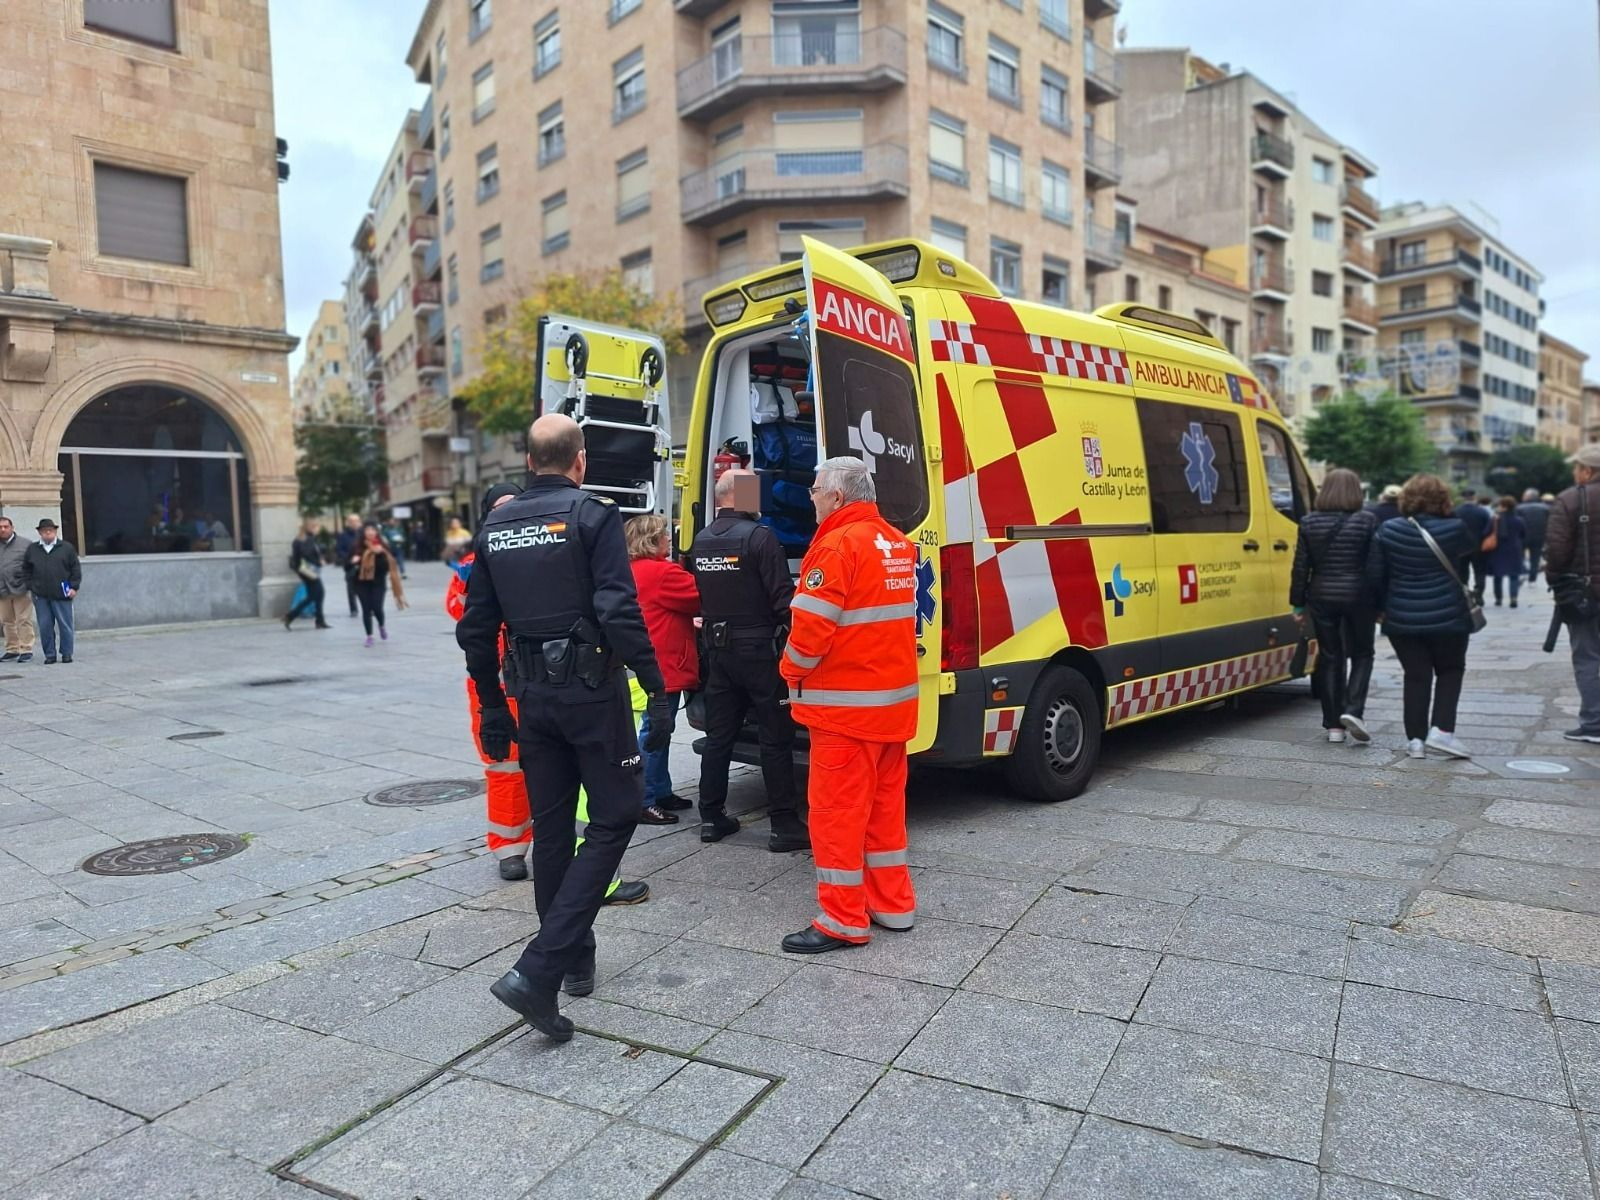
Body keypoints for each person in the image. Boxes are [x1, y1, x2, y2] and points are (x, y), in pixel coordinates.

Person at [460, 413, 672, 1043]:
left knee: (552, 831)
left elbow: (476, 625)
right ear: (580, 460)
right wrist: (657, 686)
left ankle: (572, 960)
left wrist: (494, 706)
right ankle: (541, 966)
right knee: (617, 813)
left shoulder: (496, 524)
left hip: (530, 697)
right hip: (589, 695)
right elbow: (616, 607)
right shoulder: (591, 515)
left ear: (529, 462)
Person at [449, 484, 652, 904]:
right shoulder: (476, 560)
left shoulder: (543, 539)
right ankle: (510, 849)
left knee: (566, 792)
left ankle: (573, 903)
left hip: (538, 678)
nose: (513, 517)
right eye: (501, 511)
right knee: (506, 768)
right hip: (506, 677)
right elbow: (466, 620)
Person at [778, 456, 917, 954]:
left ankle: (842, 919)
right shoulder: (897, 544)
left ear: (836, 497)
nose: (810, 498)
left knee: (836, 815)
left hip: (844, 713)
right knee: (885, 813)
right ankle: (893, 906)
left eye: (814, 490)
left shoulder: (835, 545)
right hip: (891, 708)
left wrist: (788, 671)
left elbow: (811, 632)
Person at [687, 468, 806, 852]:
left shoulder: (702, 540)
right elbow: (782, 599)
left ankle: (711, 817)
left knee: (719, 737)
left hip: (719, 653)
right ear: (740, 498)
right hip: (760, 654)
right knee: (775, 739)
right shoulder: (760, 538)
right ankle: (784, 825)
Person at [1368, 474, 1477, 760]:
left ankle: (1415, 741)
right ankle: (1441, 731)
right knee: (1450, 670)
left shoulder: (1388, 530)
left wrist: (1380, 609)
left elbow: (1376, 575)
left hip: (1402, 617)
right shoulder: (1456, 528)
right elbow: (1465, 561)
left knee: (1415, 676)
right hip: (1450, 615)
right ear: (1443, 498)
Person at [1289, 468, 1378, 744]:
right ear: (1356, 491)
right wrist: (1380, 601)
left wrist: (1297, 605)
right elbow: (1375, 566)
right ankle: (1353, 710)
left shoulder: (1308, 522)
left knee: (1330, 656)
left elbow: (1301, 567)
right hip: (1359, 596)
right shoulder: (1367, 521)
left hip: (1322, 596)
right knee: (1362, 653)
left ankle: (1333, 727)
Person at [625, 514, 700, 826]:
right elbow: (701, 597)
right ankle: (645, 800)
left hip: (645, 662)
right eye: (665, 535)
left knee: (659, 730)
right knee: (656, 733)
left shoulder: (631, 570)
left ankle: (660, 790)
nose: (670, 539)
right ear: (651, 540)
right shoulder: (663, 573)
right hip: (666, 664)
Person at [1545, 443, 1600, 744]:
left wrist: (1554, 579)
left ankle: (1593, 723)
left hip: (1585, 591)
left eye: (1577, 467)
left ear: (1587, 471)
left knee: (1588, 656)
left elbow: (1557, 550)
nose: (1574, 472)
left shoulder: (1570, 500)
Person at [21, 518, 81, 665]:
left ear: (55, 532)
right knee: (45, 626)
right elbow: (26, 569)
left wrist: (74, 587)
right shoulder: (33, 549)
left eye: (50, 531)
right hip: (40, 595)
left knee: (65, 625)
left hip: (62, 593)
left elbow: (75, 569)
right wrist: (31, 586)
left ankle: (66, 653)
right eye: (44, 531)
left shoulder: (66, 548)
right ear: (40, 533)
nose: (48, 533)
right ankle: (50, 654)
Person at [354, 523, 407, 646]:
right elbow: (346, 564)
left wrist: (379, 555)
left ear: (377, 532)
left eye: (373, 529)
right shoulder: (357, 547)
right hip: (361, 582)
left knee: (377, 607)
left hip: (378, 582)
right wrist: (354, 562)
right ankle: (369, 636)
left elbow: (388, 566)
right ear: (364, 532)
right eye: (368, 530)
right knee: (366, 609)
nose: (370, 532)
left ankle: (381, 625)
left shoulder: (382, 547)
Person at [0, 517, 36, 663]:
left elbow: (34, 566)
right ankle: (12, 649)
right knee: (7, 621)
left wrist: (29, 583)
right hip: (2, 590)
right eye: (0, 527)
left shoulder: (25, 544)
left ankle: (26, 649)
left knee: (23, 620)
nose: (2, 530)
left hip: (21, 589)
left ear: (12, 527)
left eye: (5, 527)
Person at [283, 519, 330, 630]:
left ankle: (320, 620)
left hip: (304, 571)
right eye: (317, 527)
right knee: (315, 595)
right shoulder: (307, 539)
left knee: (317, 595)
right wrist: (319, 561)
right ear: (312, 527)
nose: (318, 529)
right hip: (310, 571)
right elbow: (307, 554)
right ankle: (290, 616)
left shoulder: (299, 539)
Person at [1487, 496, 1527, 608]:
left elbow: (1485, 532)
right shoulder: (1519, 520)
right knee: (1514, 576)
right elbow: (1523, 534)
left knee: (1497, 576)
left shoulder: (1494, 520)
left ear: (1504, 507)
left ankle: (1498, 599)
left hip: (1497, 551)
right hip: (1514, 550)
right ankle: (1513, 598)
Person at [1453, 490, 1491, 604]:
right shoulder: (1482, 512)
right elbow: (1487, 530)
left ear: (1462, 497)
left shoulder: (1456, 511)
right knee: (1480, 571)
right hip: (1479, 546)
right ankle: (1478, 593)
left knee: (1462, 572)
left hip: (1461, 547)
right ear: (1474, 497)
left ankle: (1464, 594)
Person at [1517, 488, 1551, 585]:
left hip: (1522, 536)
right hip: (1539, 537)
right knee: (1535, 558)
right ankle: (1533, 579)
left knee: (1520, 556)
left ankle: (1522, 573)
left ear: (1528, 496)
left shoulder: (1519, 508)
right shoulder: (1545, 508)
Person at [335, 513, 364, 617]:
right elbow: (339, 550)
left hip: (363, 564)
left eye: (356, 521)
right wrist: (349, 558)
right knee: (351, 588)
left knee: (365, 587)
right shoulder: (343, 536)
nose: (354, 523)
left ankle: (368, 607)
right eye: (352, 521)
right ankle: (353, 609)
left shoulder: (364, 534)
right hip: (350, 565)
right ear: (348, 523)